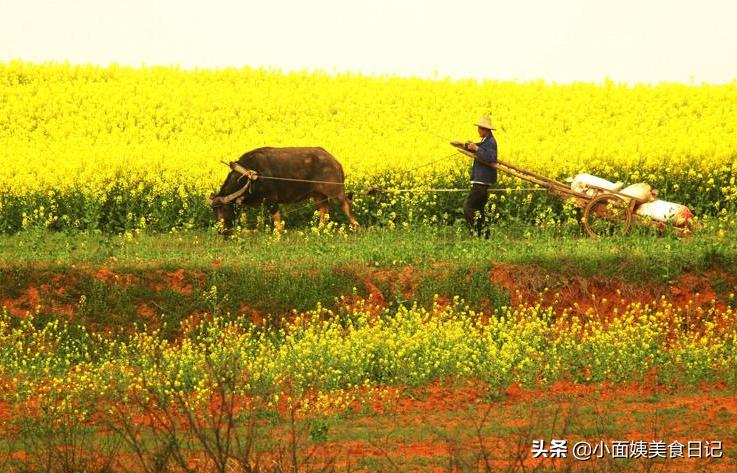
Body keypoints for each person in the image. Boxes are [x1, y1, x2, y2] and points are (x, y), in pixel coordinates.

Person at [451, 116, 498, 238]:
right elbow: (475, 147)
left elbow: (491, 158)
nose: (478, 131)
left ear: (485, 130)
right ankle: (485, 235)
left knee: (468, 207)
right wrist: (461, 144)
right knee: (479, 210)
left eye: (479, 129)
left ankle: (476, 232)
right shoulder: (486, 141)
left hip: (481, 183)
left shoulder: (491, 142)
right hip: (481, 182)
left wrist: (476, 148)